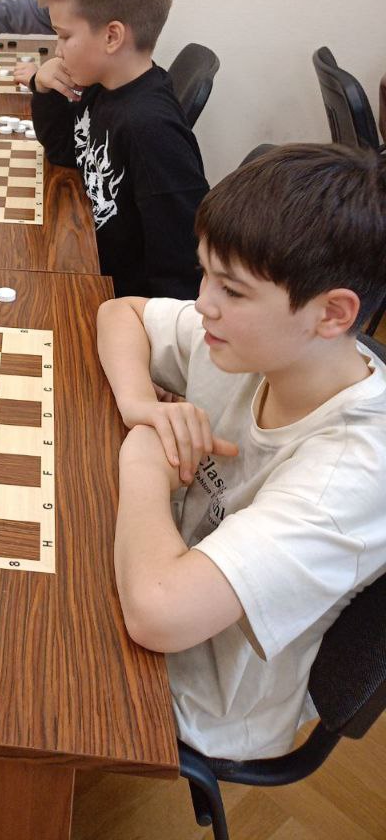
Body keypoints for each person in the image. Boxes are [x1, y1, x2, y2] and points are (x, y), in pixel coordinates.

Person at [97, 143, 386, 760]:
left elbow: (157, 614)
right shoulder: (262, 344)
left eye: (231, 289)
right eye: (204, 274)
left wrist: (143, 452)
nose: (204, 302)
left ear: (332, 313)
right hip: (148, 567)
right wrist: (139, 403)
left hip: (194, 695)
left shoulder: (352, 472)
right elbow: (122, 313)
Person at [31, 0, 207, 299]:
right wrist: (44, 89)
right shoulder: (100, 86)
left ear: (112, 36)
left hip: (124, 303)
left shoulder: (152, 129)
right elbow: (65, 152)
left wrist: (136, 323)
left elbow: (182, 269)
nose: (58, 50)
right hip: (90, 265)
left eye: (64, 36)